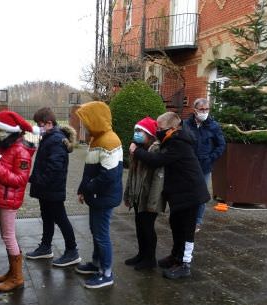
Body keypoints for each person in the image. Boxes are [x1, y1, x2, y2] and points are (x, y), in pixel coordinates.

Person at [130, 112, 210, 280]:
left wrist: (137, 151)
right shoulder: (172, 139)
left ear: (173, 128)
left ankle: (185, 264)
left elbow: (157, 160)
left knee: (187, 230)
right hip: (180, 194)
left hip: (191, 194)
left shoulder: (179, 143)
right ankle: (176, 256)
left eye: (161, 128)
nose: (158, 131)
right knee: (176, 225)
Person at [0, 111, 37, 292]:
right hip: (2, 197)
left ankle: (17, 277)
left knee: (8, 237)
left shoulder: (20, 150)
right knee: (5, 236)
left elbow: (20, 180)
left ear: (9, 130)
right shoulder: (5, 145)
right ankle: (11, 272)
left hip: (9, 198)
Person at [74, 101, 123, 289]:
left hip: (103, 197)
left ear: (95, 119)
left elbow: (108, 176)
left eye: (86, 120)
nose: (84, 124)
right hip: (96, 196)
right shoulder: (96, 138)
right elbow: (90, 170)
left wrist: (88, 189)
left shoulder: (109, 141)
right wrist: (82, 189)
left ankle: (106, 273)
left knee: (101, 235)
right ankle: (96, 264)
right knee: (96, 231)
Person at [26, 107, 81, 267]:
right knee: (47, 217)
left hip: (52, 188)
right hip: (46, 188)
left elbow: (54, 167)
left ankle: (72, 251)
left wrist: (37, 180)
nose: (38, 126)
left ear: (49, 123)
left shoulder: (56, 139)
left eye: (40, 123)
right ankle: (45, 247)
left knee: (60, 218)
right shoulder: (49, 137)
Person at [123, 117, 165, 270]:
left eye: (140, 131)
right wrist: (128, 195)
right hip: (138, 196)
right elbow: (132, 175)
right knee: (140, 226)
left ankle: (150, 259)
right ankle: (141, 254)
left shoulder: (155, 150)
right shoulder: (137, 148)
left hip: (149, 198)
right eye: (136, 131)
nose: (137, 134)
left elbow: (158, 179)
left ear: (149, 133)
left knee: (147, 228)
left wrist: (152, 203)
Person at [183, 98, 225, 233]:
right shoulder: (185, 124)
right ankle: (185, 218)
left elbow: (221, 145)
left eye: (207, 109)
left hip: (205, 166)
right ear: (195, 110)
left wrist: (211, 158)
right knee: (187, 192)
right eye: (202, 109)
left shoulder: (214, 126)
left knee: (201, 195)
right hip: (188, 166)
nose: (204, 112)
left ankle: (197, 221)